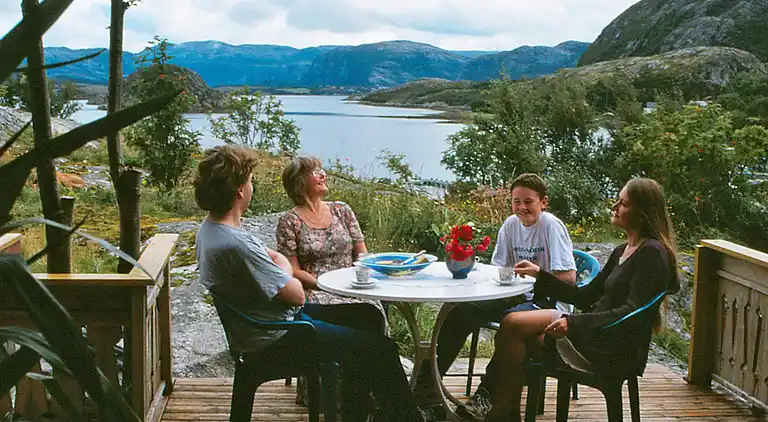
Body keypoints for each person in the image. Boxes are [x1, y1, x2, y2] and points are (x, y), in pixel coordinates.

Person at [194, 146, 435, 422]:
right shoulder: (237, 243)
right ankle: (406, 417)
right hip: (278, 337)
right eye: (249, 180)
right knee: (382, 351)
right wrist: (284, 266)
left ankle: (355, 414)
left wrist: (277, 263)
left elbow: (272, 258)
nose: (252, 186)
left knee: (366, 316)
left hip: (266, 325)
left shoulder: (212, 230)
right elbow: (296, 294)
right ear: (238, 190)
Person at [484, 178, 680, 422]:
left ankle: (499, 412)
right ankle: (504, 412)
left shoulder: (652, 254)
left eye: (623, 203)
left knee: (513, 324)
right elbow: (584, 295)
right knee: (515, 331)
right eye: (617, 201)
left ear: (642, 212)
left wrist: (572, 322)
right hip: (594, 332)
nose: (615, 207)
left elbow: (631, 313)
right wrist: (539, 274)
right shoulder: (622, 250)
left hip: (610, 346)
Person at [423, 173, 577, 420]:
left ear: (543, 202)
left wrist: (538, 274)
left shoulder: (550, 226)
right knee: (461, 311)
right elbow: (498, 270)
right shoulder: (510, 225)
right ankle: (427, 393)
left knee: (512, 323)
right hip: (515, 294)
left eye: (528, 202)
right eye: (517, 202)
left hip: (547, 300)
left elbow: (569, 278)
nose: (522, 208)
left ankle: (485, 397)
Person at [276, 156, 387, 408]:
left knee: (373, 312)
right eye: (314, 172)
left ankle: (360, 395)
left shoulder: (341, 210)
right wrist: (324, 284)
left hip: (351, 285)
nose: (322, 174)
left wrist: (361, 275)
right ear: (299, 183)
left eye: (321, 169)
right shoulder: (289, 221)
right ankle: (342, 398)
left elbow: (362, 252)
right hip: (316, 289)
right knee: (361, 317)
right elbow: (291, 270)